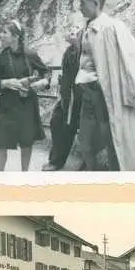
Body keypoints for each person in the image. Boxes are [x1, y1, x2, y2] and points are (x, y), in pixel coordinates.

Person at [74, 0, 135, 171]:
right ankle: (92, 174)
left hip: (104, 97)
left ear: (96, 4)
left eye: (83, 4)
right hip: (88, 95)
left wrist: (132, 90)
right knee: (85, 142)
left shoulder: (112, 27)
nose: (79, 8)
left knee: (113, 141)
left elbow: (134, 59)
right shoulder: (88, 27)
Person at [0, 19, 51, 172]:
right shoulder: (1, 57)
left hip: (27, 105)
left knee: (26, 142)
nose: (1, 35)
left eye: (5, 32)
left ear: (15, 36)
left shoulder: (30, 54)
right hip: (7, 106)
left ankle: (24, 175)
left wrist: (43, 82)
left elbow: (46, 72)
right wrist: (5, 83)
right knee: (2, 144)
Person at [42, 24, 85, 171]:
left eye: (75, 32)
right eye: (70, 31)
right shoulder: (70, 50)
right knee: (55, 121)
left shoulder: (80, 52)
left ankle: (57, 161)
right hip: (66, 93)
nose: (70, 33)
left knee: (68, 127)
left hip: (74, 95)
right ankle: (54, 157)